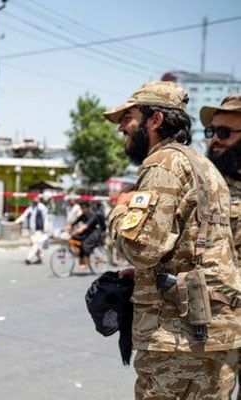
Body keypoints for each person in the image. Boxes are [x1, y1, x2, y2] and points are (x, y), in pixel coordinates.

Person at [104, 81, 241, 399]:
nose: (123, 126)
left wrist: (119, 211)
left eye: (129, 117)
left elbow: (142, 248)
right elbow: (195, 247)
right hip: (216, 334)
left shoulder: (163, 163)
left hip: (178, 339)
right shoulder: (204, 166)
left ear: (155, 120)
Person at [200, 94, 241, 400]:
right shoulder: (205, 184)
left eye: (225, 132)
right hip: (219, 324)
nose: (215, 139)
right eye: (211, 131)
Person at [66, 202, 102, 270]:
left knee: (84, 244)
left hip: (95, 233)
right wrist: (67, 227)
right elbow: (74, 222)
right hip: (87, 233)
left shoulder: (92, 216)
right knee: (75, 240)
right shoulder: (82, 216)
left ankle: (87, 262)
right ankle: (82, 262)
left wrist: (78, 230)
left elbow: (86, 226)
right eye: (81, 208)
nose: (82, 210)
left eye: (84, 208)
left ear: (87, 208)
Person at [15, 194, 50, 264]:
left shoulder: (42, 207)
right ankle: (40, 258)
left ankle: (28, 258)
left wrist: (45, 228)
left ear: (39, 199)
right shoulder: (31, 207)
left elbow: (45, 218)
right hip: (32, 229)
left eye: (36, 198)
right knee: (34, 244)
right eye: (34, 198)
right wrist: (17, 221)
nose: (35, 199)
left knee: (35, 244)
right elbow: (24, 215)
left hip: (39, 230)